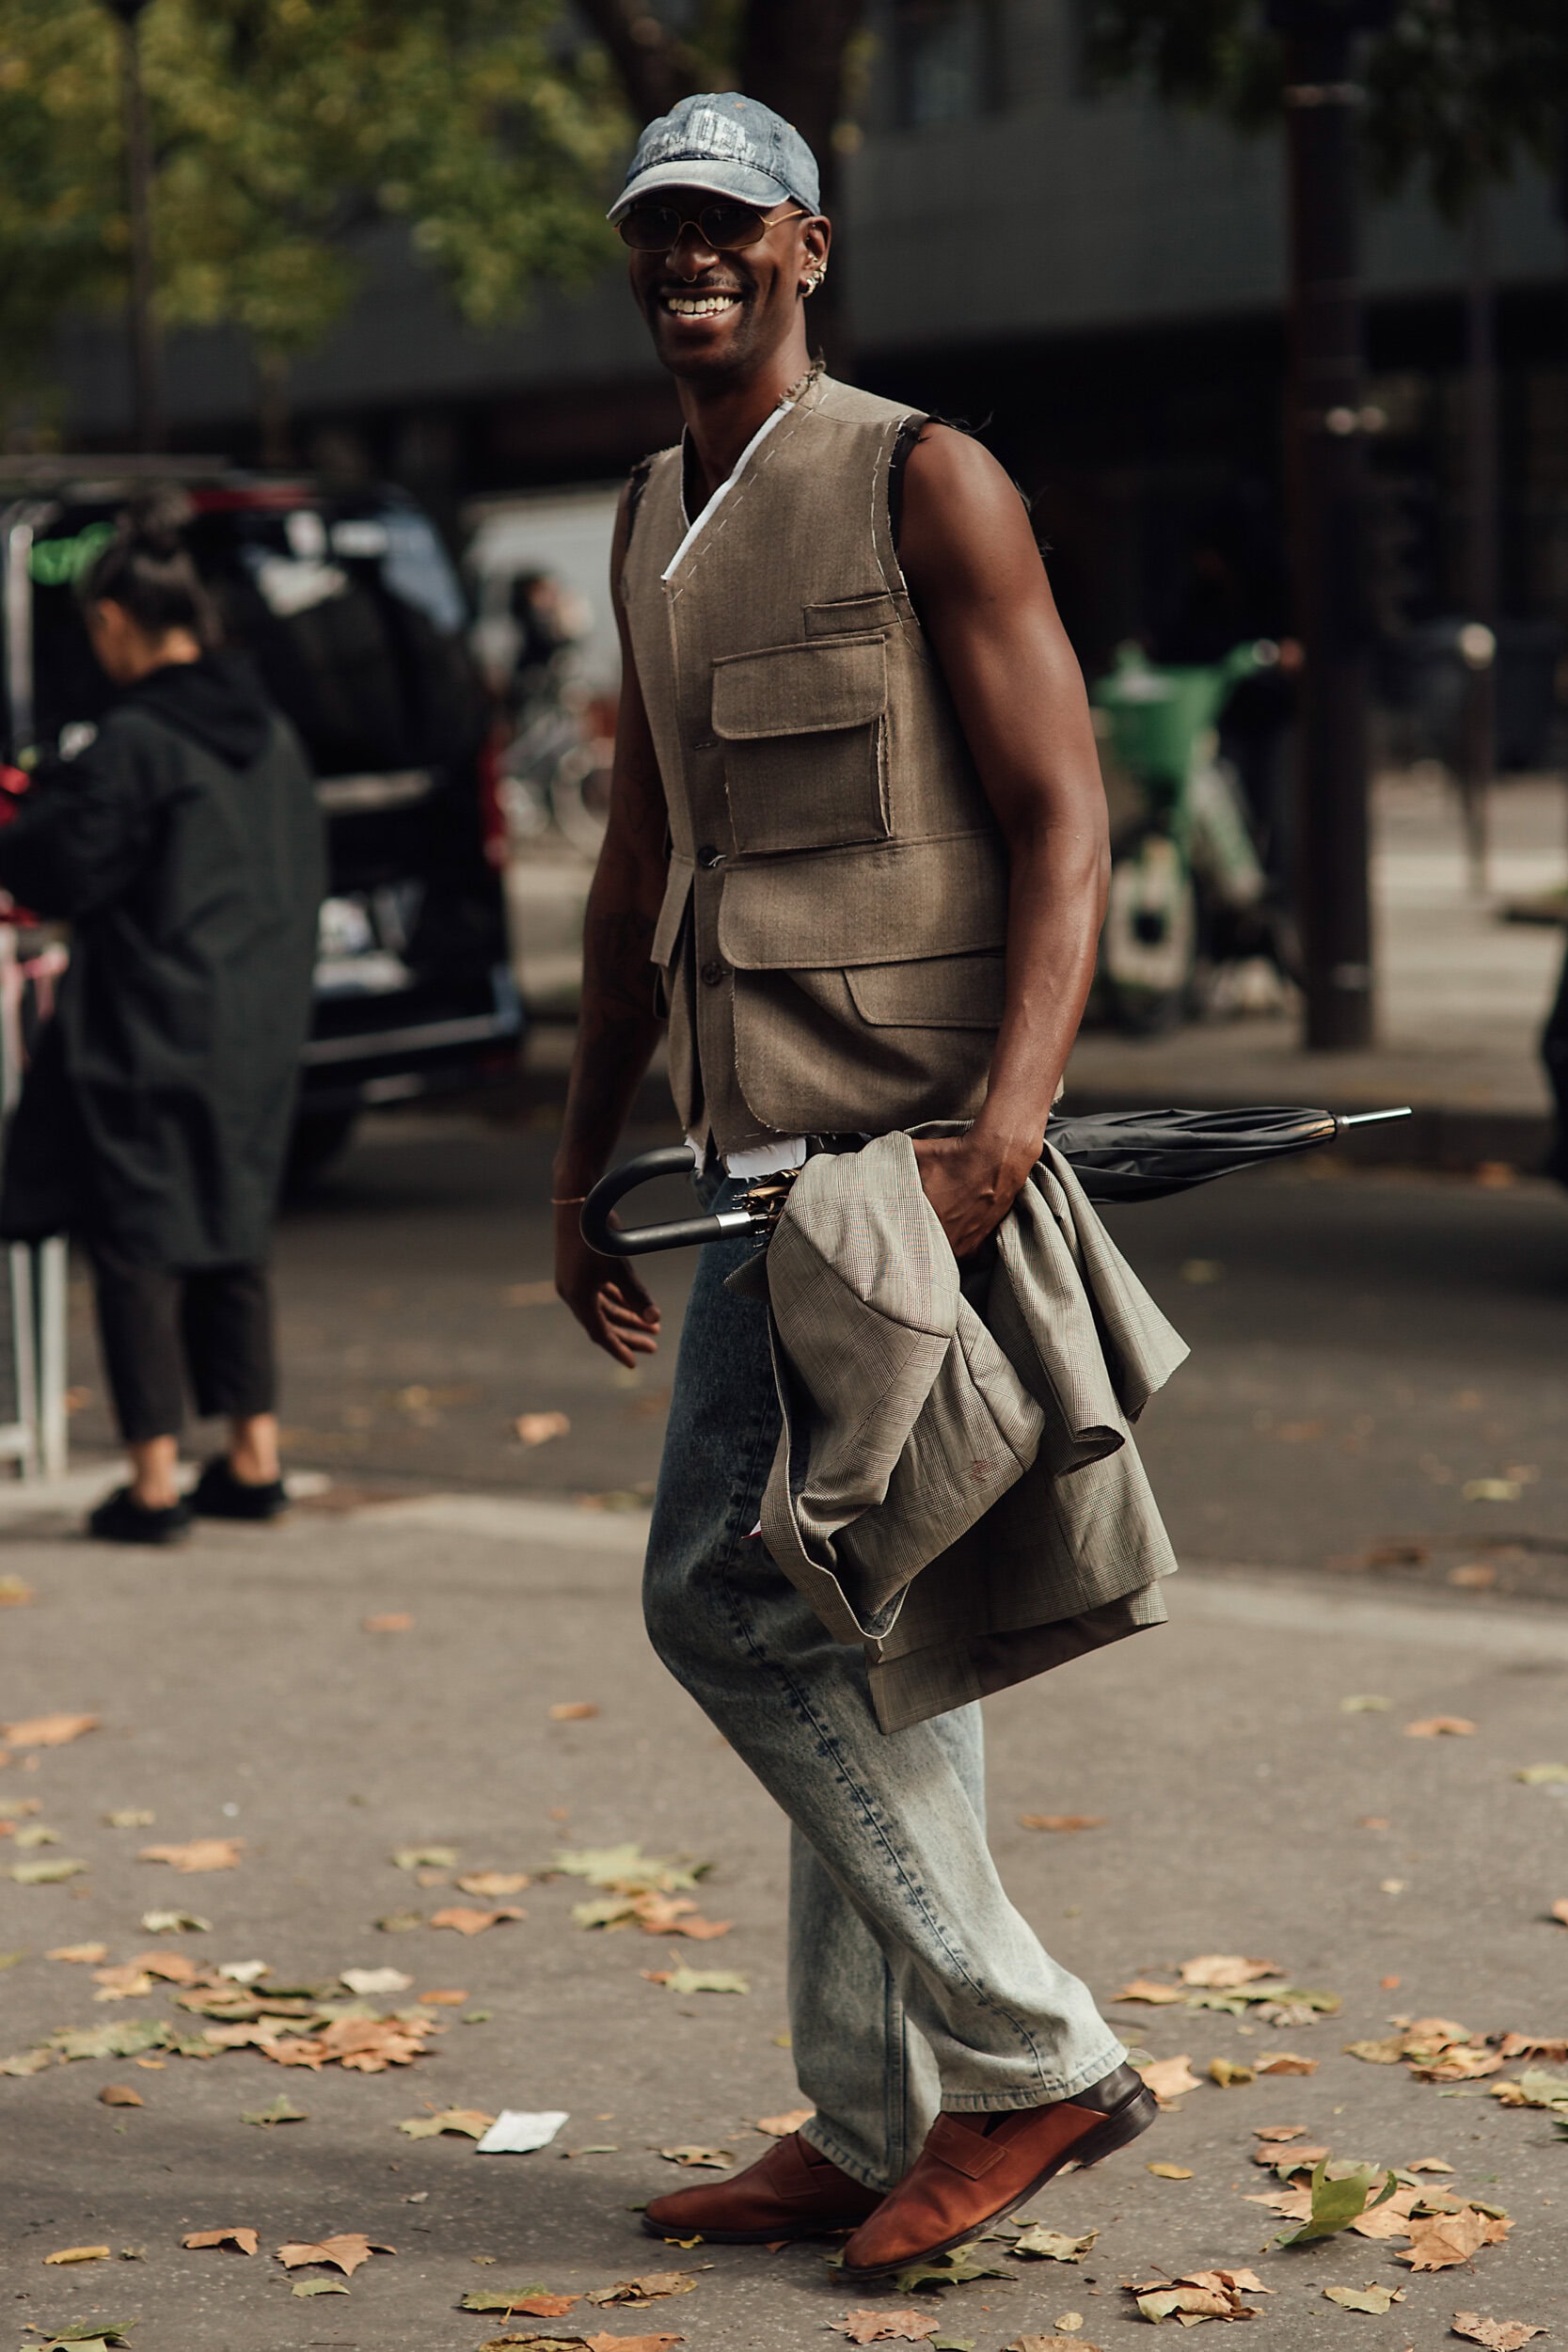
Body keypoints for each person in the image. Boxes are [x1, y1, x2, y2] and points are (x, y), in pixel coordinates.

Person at [552, 93, 1160, 2273]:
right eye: (658, 227)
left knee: (719, 1598)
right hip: (739, 1160)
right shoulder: (649, 513)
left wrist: (1008, 1117)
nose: (689, 256)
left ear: (807, 245)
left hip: (898, 1167)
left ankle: (1027, 2050)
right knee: (851, 1614)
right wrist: (581, 1160)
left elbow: (1063, 809)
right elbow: (638, 864)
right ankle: (864, 2107)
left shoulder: (923, 476)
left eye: (730, 223)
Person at [0, 492, 325, 1543]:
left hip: (146, 1022)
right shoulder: (271, 735)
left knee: (137, 1242)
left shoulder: (135, 740)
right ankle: (253, 1460)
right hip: (258, 1021)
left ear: (112, 622)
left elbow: (59, 868)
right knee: (233, 1230)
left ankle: (151, 1483)